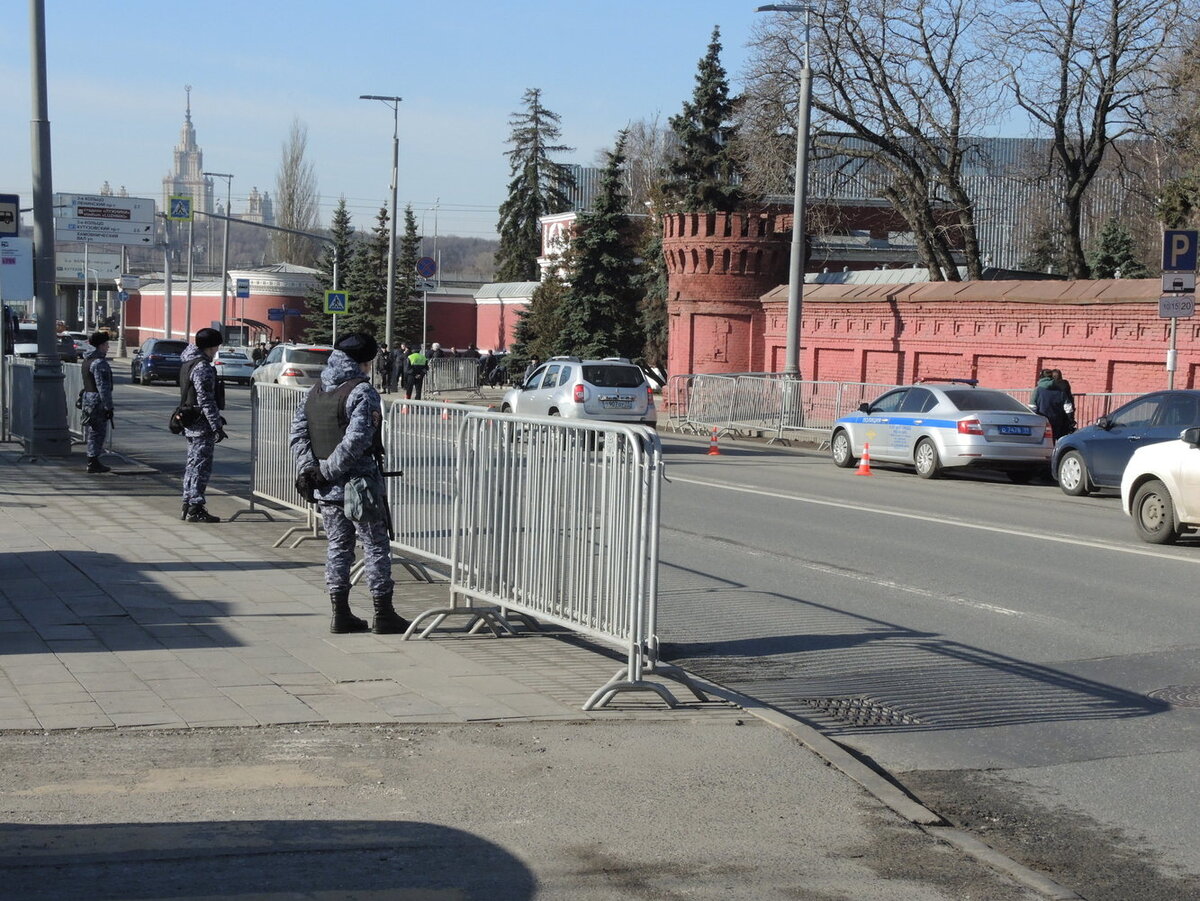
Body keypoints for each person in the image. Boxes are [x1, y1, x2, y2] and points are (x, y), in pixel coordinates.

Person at [290, 332, 408, 635]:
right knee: (375, 546)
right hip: (359, 487)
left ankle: (340, 614)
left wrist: (311, 471)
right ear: (365, 361)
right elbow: (357, 440)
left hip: (327, 489)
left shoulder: (315, 390)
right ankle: (383, 613)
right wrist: (325, 472)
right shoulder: (362, 391)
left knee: (338, 547)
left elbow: (299, 434)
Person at [179, 328, 228, 523]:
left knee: (192, 464)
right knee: (201, 467)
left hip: (190, 420)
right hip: (201, 424)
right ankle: (196, 507)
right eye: (216, 346)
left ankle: (188, 501)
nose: (217, 350)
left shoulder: (188, 362)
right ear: (211, 347)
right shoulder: (203, 367)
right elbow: (206, 399)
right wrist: (216, 426)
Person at [80, 331, 114, 474]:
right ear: (100, 345)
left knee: (92, 431)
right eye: (106, 344)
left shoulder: (87, 360)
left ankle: (92, 460)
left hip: (88, 399)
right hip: (97, 402)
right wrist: (108, 407)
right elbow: (103, 387)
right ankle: (93, 461)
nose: (108, 347)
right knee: (98, 432)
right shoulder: (99, 363)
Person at [1032, 367, 1071, 442]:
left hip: (1042, 419)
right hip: (1057, 420)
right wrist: (1070, 420)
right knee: (1054, 441)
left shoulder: (1038, 390)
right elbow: (1068, 407)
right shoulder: (1060, 390)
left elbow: (1032, 406)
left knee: (1042, 441)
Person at [1051, 369, 1076, 434]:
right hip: (1067, 408)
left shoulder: (1052, 384)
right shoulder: (1065, 383)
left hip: (1057, 409)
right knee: (1065, 430)